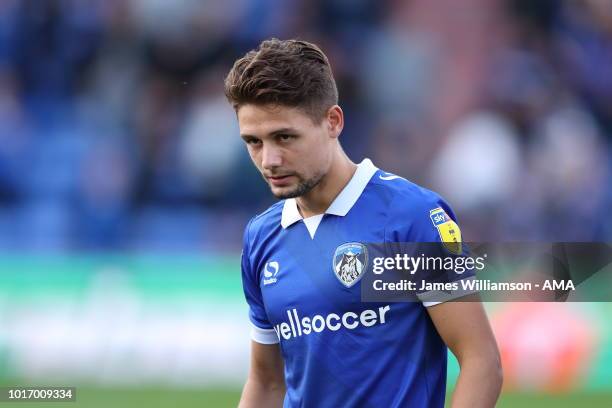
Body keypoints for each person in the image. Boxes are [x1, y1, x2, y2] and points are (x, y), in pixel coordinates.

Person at [224, 38, 502, 408]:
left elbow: (480, 360)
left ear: (333, 122)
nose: (269, 159)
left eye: (284, 137)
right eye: (254, 142)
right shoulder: (261, 237)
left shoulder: (411, 217)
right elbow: (266, 383)